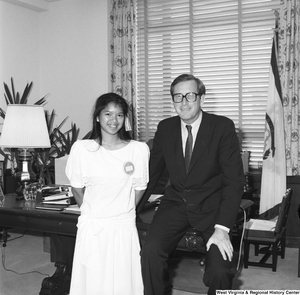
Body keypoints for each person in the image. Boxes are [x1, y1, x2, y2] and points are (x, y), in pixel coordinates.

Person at [138, 74, 244, 295]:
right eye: (178, 96)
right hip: (175, 204)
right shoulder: (165, 128)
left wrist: (223, 228)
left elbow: (234, 180)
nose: (184, 102)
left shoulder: (222, 127)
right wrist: (132, 208)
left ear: (201, 99)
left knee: (220, 270)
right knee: (150, 252)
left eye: (190, 95)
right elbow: (151, 174)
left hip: (212, 207)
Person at [65, 92, 149, 295]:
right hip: (93, 225)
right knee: (93, 281)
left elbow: (139, 189)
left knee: (123, 281)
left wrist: (120, 211)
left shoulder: (138, 150)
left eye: (119, 115)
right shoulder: (83, 149)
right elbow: (77, 188)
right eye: (108, 114)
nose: (114, 120)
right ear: (97, 117)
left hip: (123, 226)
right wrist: (94, 212)